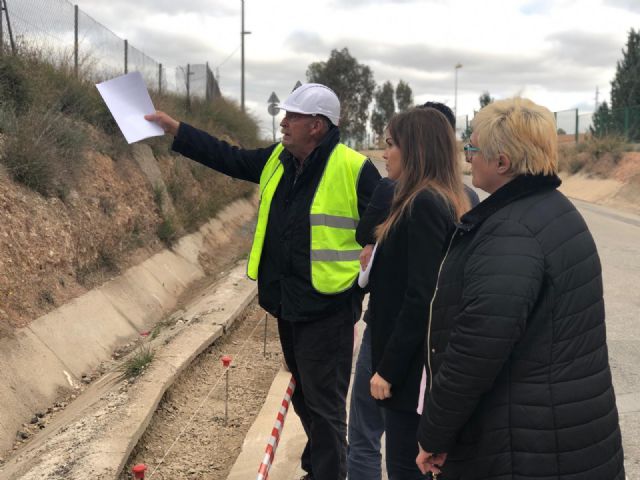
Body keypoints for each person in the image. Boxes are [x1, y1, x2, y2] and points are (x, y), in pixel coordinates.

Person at [145, 83, 381, 480]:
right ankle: (317, 466)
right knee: (305, 396)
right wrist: (176, 129)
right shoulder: (278, 158)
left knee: (324, 405)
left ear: (317, 126)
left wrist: (370, 260)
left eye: (293, 117)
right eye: (285, 115)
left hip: (328, 306)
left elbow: (388, 224)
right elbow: (229, 158)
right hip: (287, 301)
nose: (283, 122)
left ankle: (328, 474)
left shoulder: (354, 168)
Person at [416, 97, 625, 480]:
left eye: (473, 148)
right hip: (565, 436)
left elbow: (476, 348)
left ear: (503, 163)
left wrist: (434, 434)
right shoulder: (554, 210)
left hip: (526, 448)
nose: (466, 157)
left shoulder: (511, 230)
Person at [347, 102, 478, 480]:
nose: (384, 153)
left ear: (415, 149)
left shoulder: (423, 203)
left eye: (391, 144)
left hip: (408, 371)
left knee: (405, 466)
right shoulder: (443, 199)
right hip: (420, 364)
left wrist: (386, 370)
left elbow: (422, 297)